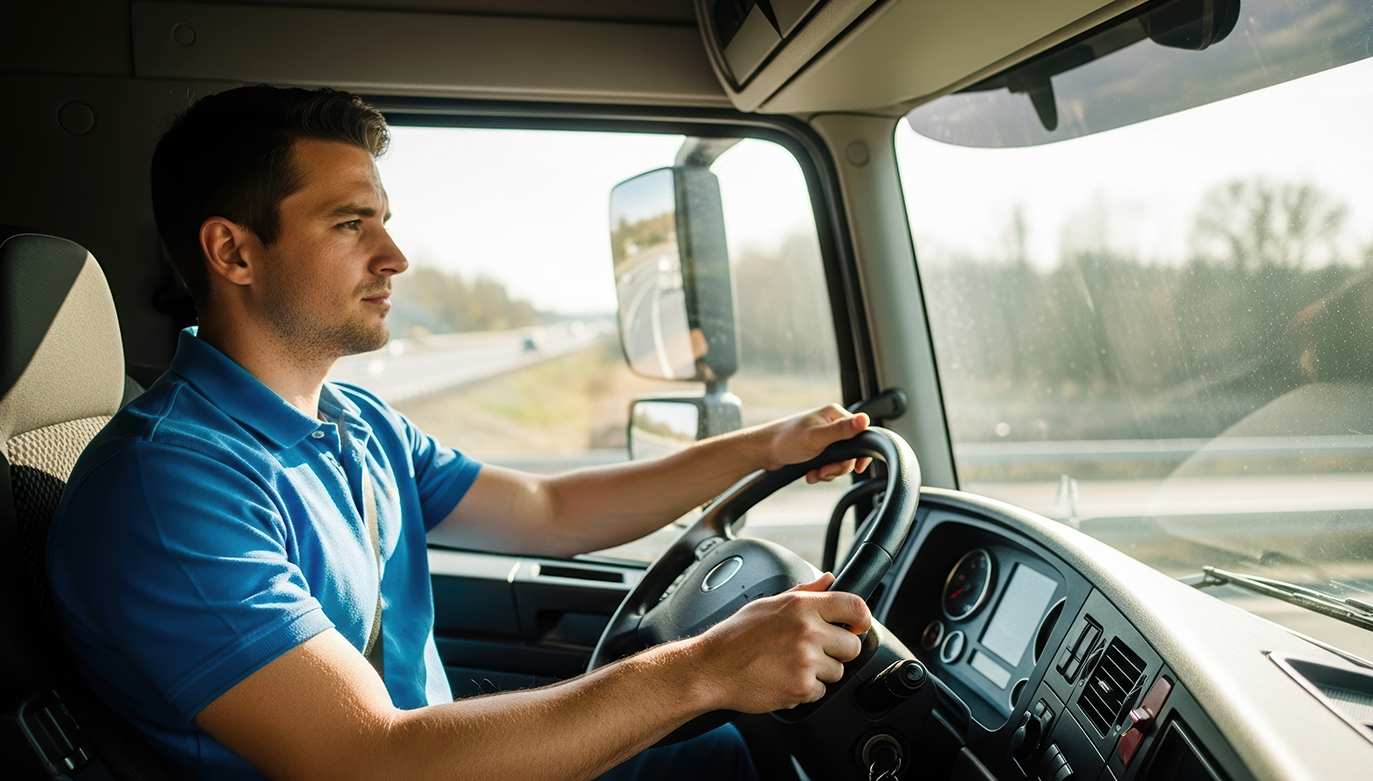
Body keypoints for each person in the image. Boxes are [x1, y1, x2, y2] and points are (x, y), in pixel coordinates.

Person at [47, 86, 875, 780]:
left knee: (724, 753)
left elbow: (550, 510)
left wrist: (762, 448)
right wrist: (706, 669)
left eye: (384, 219)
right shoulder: (168, 486)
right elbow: (366, 760)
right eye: (350, 224)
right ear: (233, 252)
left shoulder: (356, 421)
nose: (395, 255)